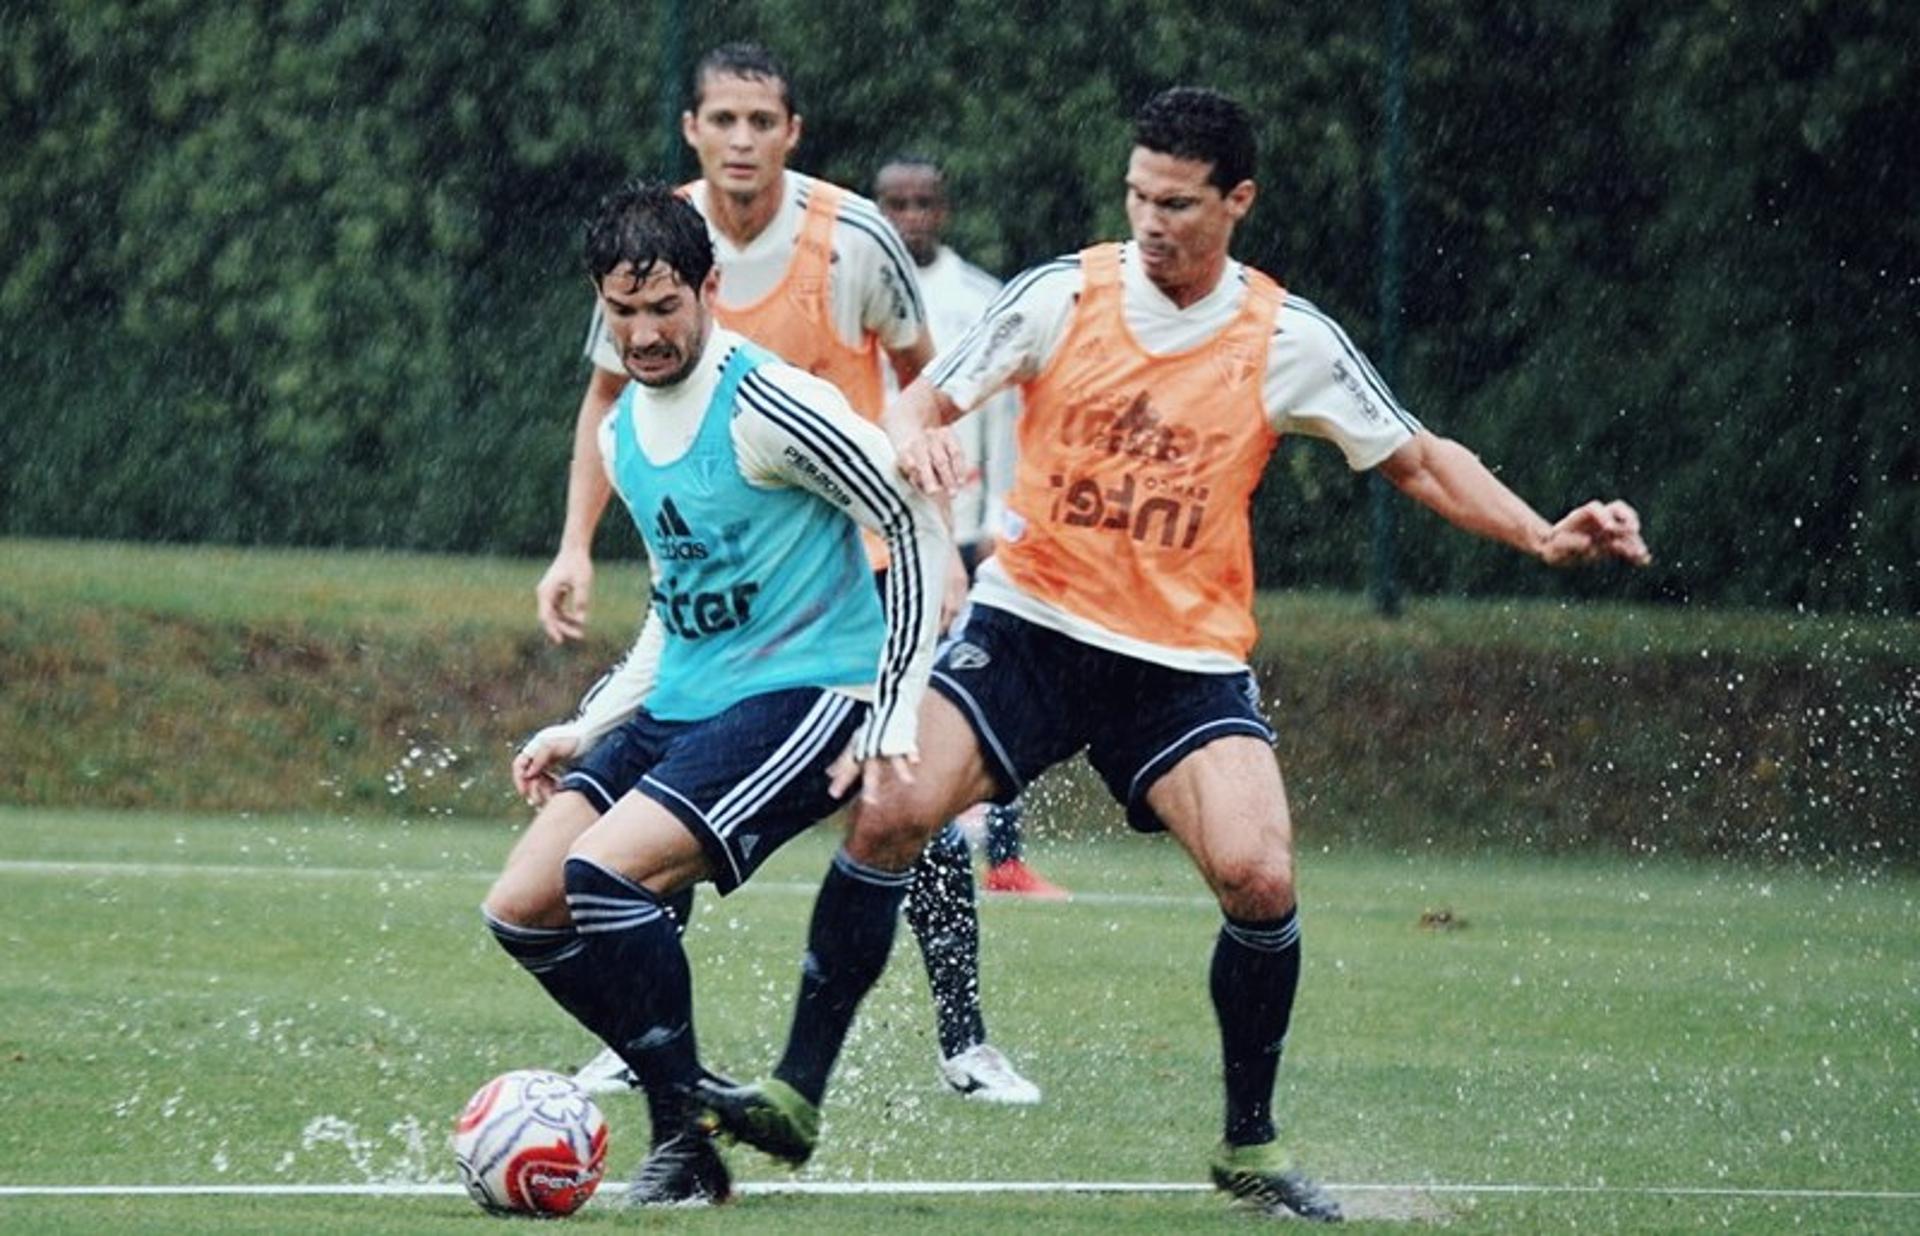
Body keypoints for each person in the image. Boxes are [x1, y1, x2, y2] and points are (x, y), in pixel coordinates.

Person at [698, 87, 1651, 1222]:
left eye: (1181, 203)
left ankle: (1250, 1145)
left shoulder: (1286, 339)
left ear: (1237, 202)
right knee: (893, 806)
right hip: (1030, 629)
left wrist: (1542, 532)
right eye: (1140, 196)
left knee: (1260, 877)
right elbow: (925, 397)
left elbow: (1420, 459)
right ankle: (797, 1095)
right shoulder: (1063, 293)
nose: (1152, 222)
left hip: (1181, 664)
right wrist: (925, 441)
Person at [546, 44, 1039, 1105]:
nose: (739, 141)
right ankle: (643, 1028)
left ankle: (964, 1036)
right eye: (721, 119)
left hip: (862, 551)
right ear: (692, 130)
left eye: (759, 121)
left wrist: (944, 543)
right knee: (659, 778)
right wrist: (577, 544)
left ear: (790, 133)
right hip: (731, 561)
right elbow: (604, 401)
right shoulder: (648, 244)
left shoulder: (856, 237)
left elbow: (923, 386)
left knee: (901, 797)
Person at [481, 181, 951, 1205]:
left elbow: (912, 521)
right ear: (600, 307)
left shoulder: (772, 405)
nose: (644, 334)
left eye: (663, 309)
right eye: (623, 312)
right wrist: (590, 720)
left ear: (708, 290)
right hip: (684, 701)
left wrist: (897, 706)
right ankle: (694, 1096)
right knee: (522, 909)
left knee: (604, 881)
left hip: (807, 695)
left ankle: (682, 1146)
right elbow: (676, 603)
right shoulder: (623, 436)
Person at [872, 154, 1067, 902]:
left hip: (956, 522)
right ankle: (895, 827)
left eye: (923, 202)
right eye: (896, 203)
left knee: (977, 683)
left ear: (943, 211)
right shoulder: (857, 281)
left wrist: (994, 521)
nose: (910, 216)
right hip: (867, 522)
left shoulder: (980, 297)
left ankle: (1004, 856)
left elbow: (1004, 418)